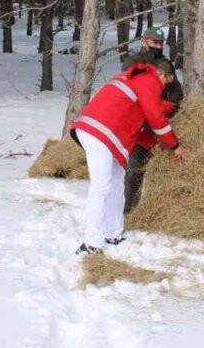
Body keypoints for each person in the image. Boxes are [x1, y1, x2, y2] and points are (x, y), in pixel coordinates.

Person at [70, 59, 185, 255]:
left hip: (104, 134)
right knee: (101, 186)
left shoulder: (137, 79)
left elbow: (138, 119)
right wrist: (175, 145)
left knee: (116, 183)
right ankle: (90, 242)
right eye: (166, 82)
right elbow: (156, 118)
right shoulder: (148, 80)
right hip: (99, 133)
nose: (162, 88)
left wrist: (157, 140)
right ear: (163, 75)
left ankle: (112, 233)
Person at [123, 58, 183, 214]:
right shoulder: (143, 78)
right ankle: (130, 210)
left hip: (165, 134)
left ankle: (164, 210)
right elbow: (148, 108)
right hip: (142, 134)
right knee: (133, 170)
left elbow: (173, 104)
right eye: (154, 42)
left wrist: (168, 107)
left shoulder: (172, 82)